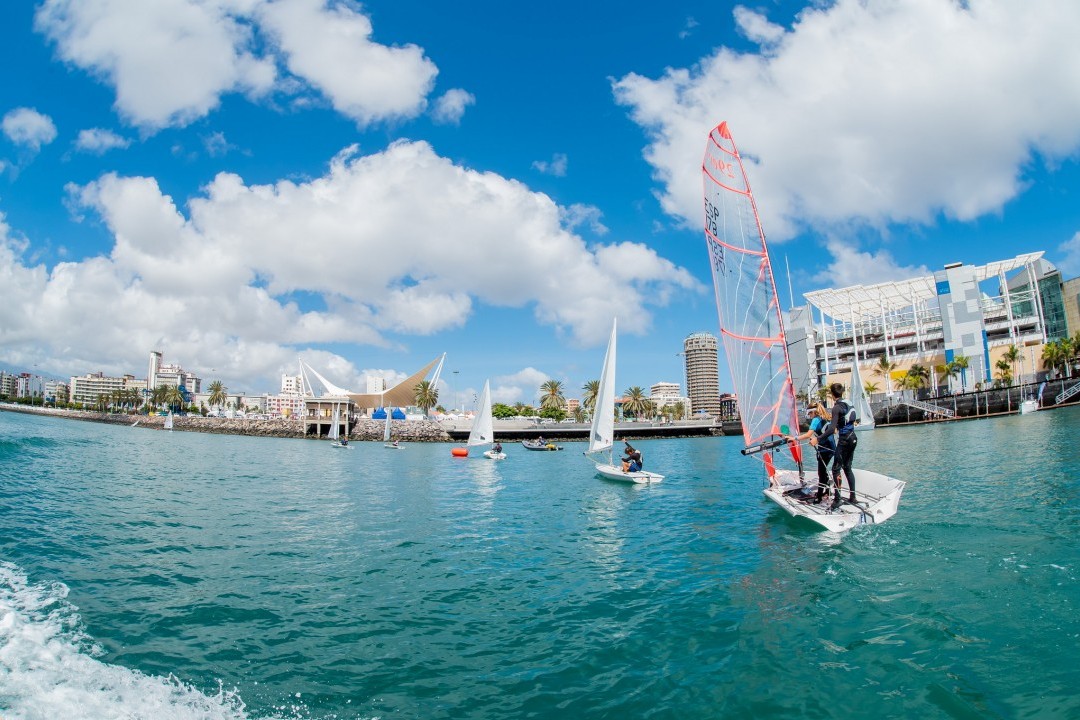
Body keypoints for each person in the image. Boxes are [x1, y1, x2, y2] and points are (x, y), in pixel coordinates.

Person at [813, 383, 858, 510]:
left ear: (832, 394)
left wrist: (818, 439)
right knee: (847, 467)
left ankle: (838, 500)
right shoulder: (848, 403)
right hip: (853, 438)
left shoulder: (836, 408)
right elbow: (847, 420)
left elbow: (832, 429)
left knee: (835, 469)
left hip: (844, 440)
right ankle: (853, 497)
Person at [787, 403, 835, 503]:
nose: (809, 415)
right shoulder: (825, 417)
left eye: (809, 413)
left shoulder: (816, 419)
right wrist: (816, 438)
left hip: (825, 449)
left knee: (821, 473)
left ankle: (819, 496)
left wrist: (794, 438)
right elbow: (830, 431)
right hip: (831, 447)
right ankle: (827, 491)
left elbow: (808, 434)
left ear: (813, 412)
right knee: (823, 471)